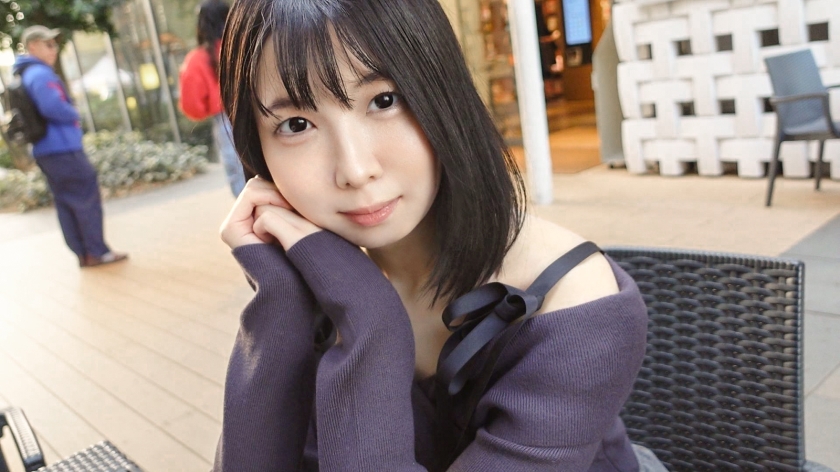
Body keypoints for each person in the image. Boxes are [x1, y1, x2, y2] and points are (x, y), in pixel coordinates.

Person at [213, 0, 667, 470]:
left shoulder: (574, 302)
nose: (355, 169)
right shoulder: (322, 273)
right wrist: (280, 300)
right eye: (296, 125)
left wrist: (371, 321)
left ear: (443, 93)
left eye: (384, 101)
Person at [13, 25, 127, 268]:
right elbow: (52, 107)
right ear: (33, 46)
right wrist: (74, 112)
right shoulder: (40, 74)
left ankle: (84, 253)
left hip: (47, 150)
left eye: (55, 44)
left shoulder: (26, 74)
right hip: (62, 148)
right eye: (48, 44)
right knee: (85, 197)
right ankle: (96, 252)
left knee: (66, 202)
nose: (54, 49)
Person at [179, 0, 246, 197]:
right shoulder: (246, 44)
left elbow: (192, 105)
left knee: (237, 171)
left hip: (226, 120)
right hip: (263, 109)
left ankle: (250, 212)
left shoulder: (198, 59)